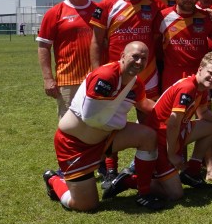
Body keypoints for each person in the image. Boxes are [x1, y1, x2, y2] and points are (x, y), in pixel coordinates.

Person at [42, 42, 160, 211]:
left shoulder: (135, 84)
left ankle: (144, 193)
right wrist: (119, 123)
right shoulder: (106, 75)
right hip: (74, 145)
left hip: (105, 140)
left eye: (144, 58)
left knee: (148, 136)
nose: (139, 62)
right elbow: (91, 118)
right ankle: (54, 179)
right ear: (122, 56)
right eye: (135, 57)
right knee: (86, 205)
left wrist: (169, 107)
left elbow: (144, 104)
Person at [105, 51, 212, 200]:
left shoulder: (202, 88)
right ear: (200, 69)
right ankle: (128, 180)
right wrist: (173, 154)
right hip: (159, 139)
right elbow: (173, 123)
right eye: (211, 73)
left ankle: (191, 172)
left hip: (174, 132)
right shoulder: (187, 88)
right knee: (175, 194)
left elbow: (204, 113)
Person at [89, 0, 163, 184]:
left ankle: (146, 165)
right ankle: (110, 169)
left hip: (147, 74)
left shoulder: (154, 4)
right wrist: (96, 72)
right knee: (110, 122)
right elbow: (96, 41)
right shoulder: (106, 5)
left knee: (150, 119)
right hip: (116, 76)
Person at [37, 0, 98, 117]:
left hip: (97, 78)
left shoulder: (100, 10)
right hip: (68, 80)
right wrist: (48, 79)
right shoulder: (54, 13)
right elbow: (44, 46)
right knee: (69, 125)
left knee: (98, 123)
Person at [159, 0, 212, 90]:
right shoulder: (162, 16)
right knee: (173, 107)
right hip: (172, 73)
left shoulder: (206, 17)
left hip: (199, 74)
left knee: (200, 107)